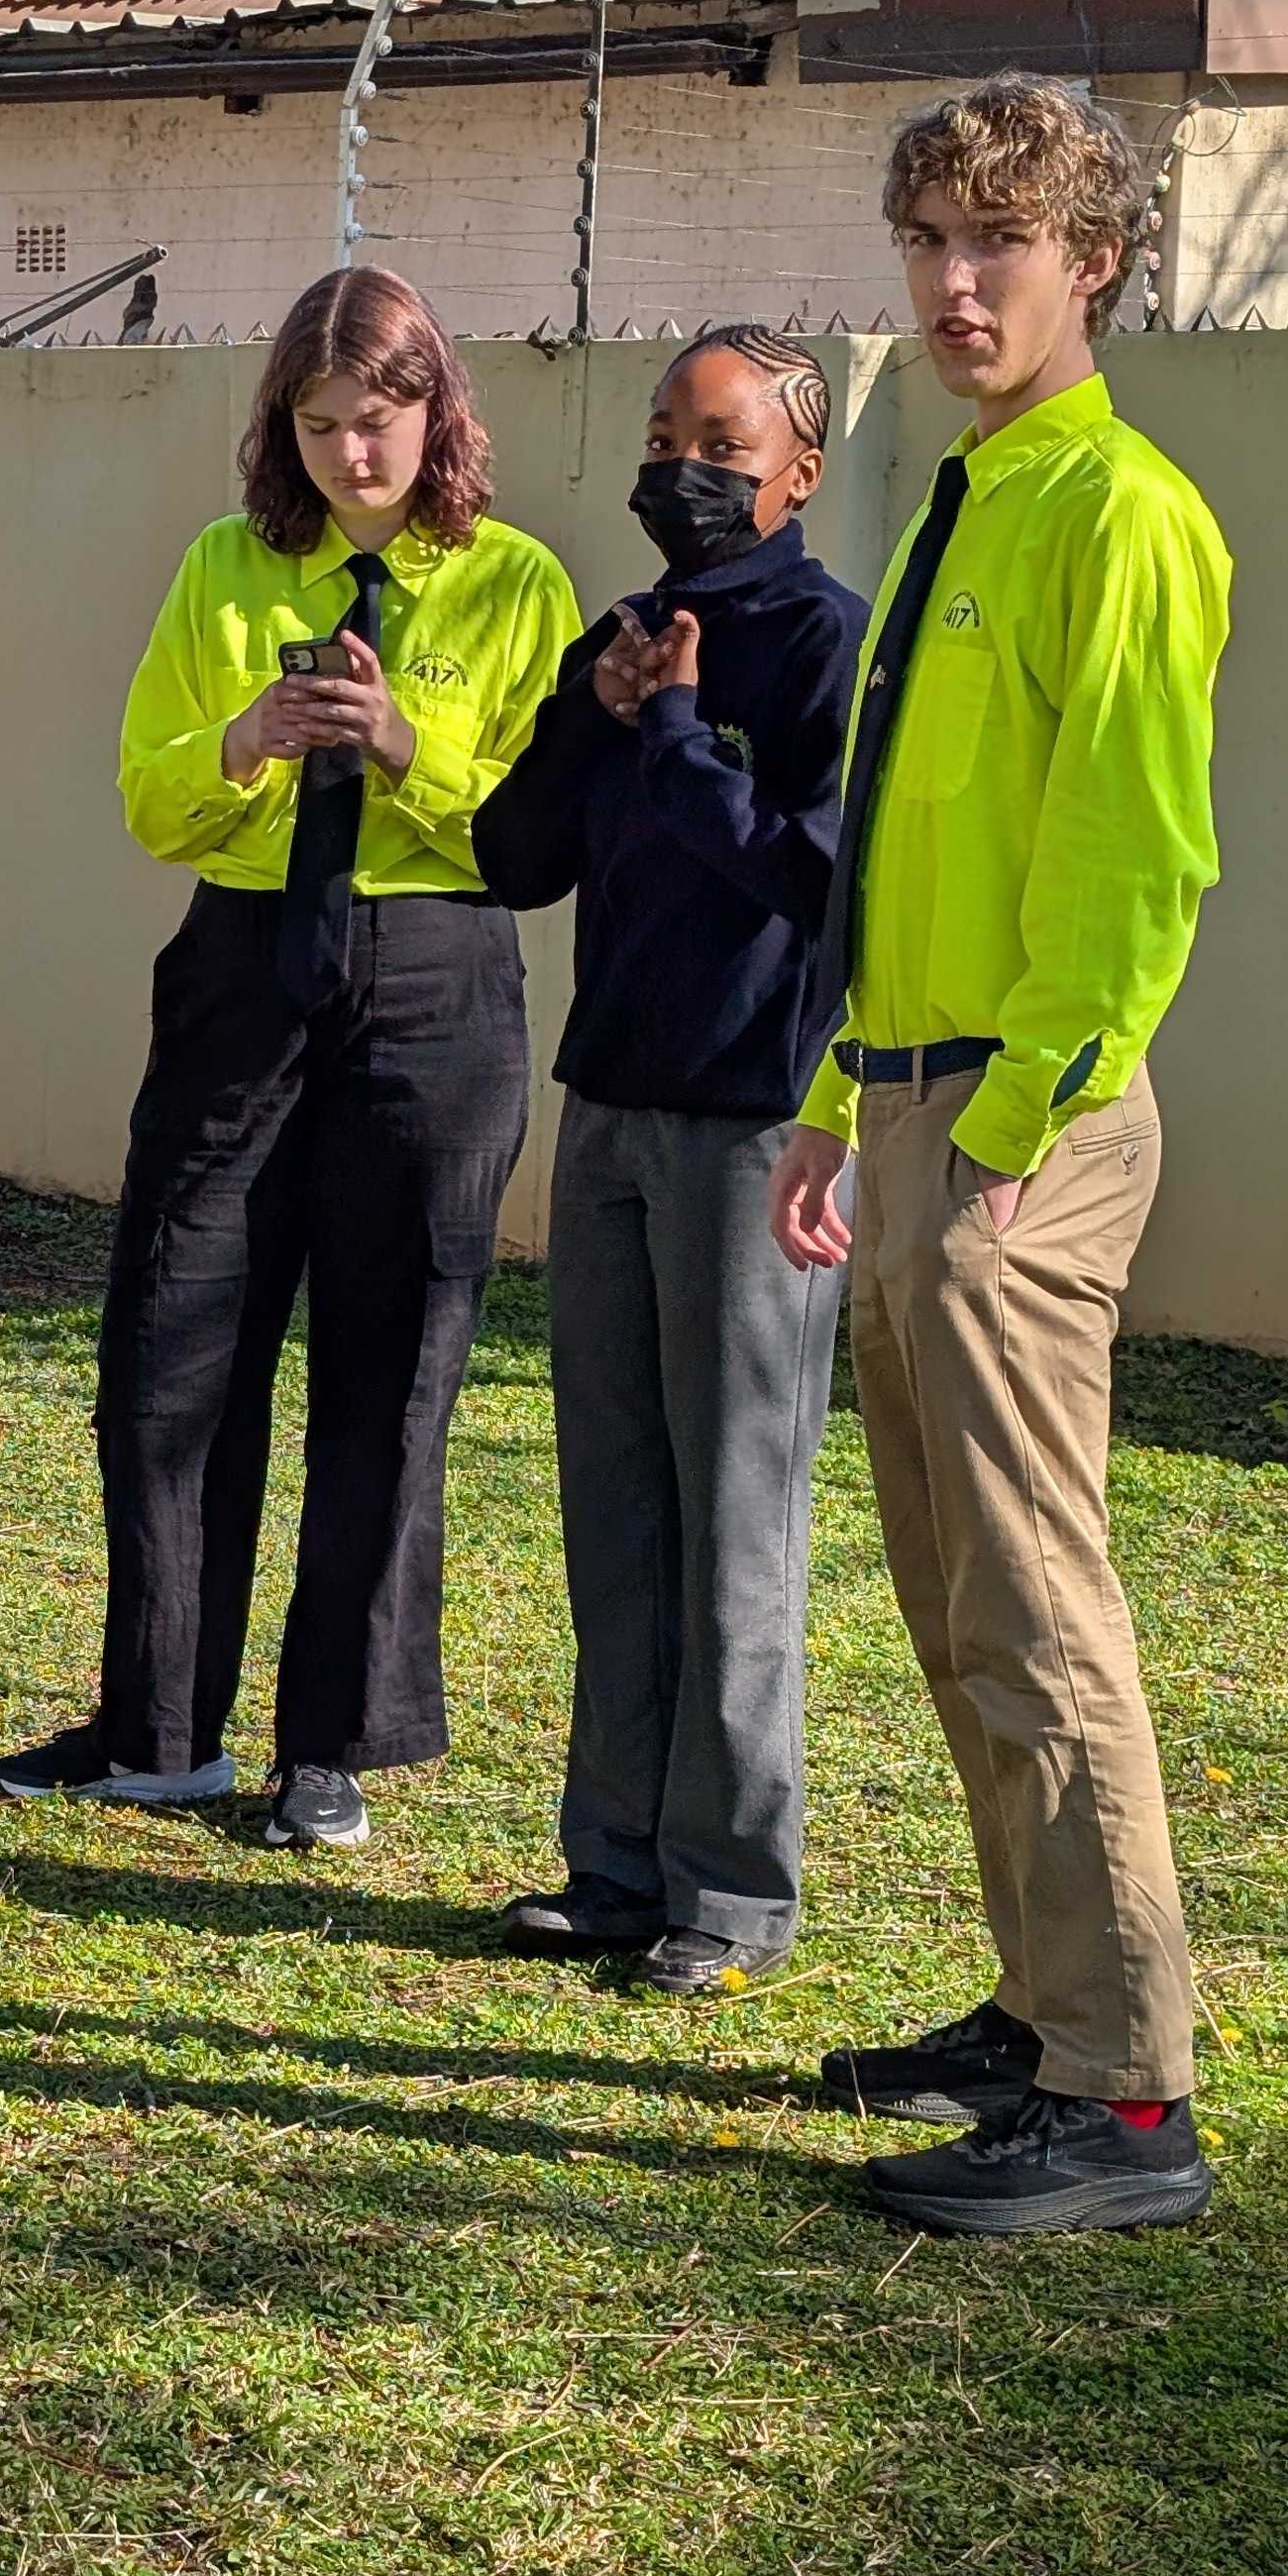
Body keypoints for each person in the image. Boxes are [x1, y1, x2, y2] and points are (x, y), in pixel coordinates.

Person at [768, 76, 1234, 2235]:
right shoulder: (973, 494)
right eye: (932, 244)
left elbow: (1136, 868)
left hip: (1013, 1128)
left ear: (1092, 266)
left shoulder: (1119, 512)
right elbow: (908, 852)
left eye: (1002, 247)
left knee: (1039, 1606)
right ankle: (1048, 2015)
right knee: (960, 1600)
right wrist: (838, 1103)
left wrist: (1015, 1124)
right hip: (912, 1104)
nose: (957, 286)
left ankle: (1127, 2106)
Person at [0, 267, 578, 1852]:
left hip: (436, 978)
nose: (351, 458)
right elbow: (151, 794)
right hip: (245, 965)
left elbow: (543, 832)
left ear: (435, 413)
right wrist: (248, 740)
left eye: (377, 423)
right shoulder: (226, 567)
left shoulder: (516, 583)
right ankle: (157, 1726)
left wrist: (401, 745)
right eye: (318, 428)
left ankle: (332, 1745)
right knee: (172, 1340)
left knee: (391, 1361)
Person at [474, 326, 867, 1997]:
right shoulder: (622, 640)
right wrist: (600, 711)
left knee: (737, 1518)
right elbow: (514, 856)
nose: (679, 471)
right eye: (660, 438)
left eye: (718, 444)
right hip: (611, 1113)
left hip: (752, 1127)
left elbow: (816, 882)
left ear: (799, 471)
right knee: (618, 1506)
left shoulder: (829, 644)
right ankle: (615, 1865)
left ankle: (733, 1892)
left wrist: (690, 731)